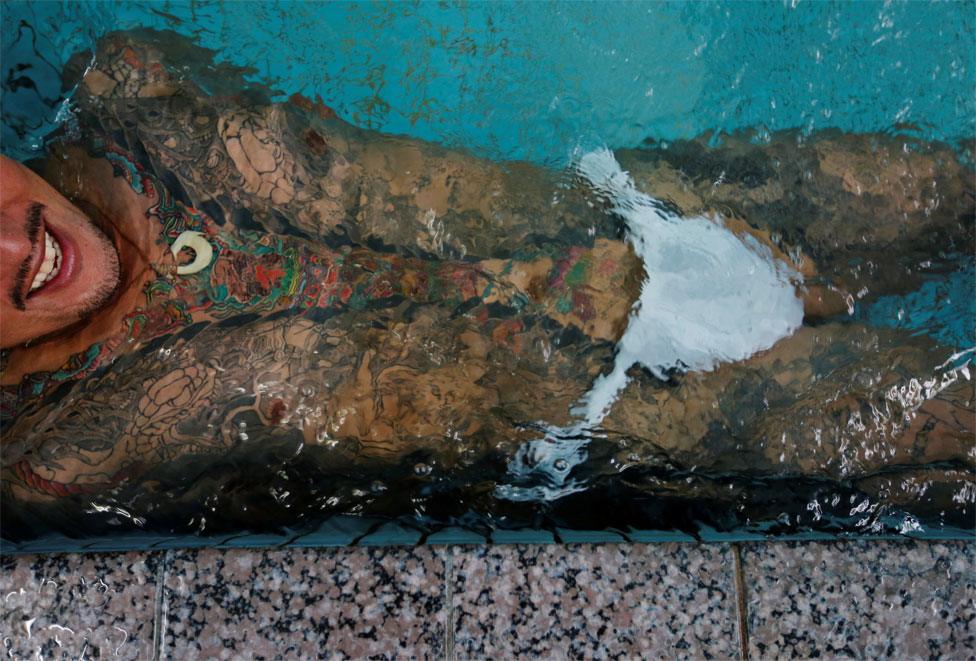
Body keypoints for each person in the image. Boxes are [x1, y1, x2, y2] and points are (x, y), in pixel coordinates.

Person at [1, 30, 972, 533]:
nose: (15, 249)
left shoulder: (134, 89)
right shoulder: (62, 460)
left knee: (954, 186)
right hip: (664, 406)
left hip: (662, 203)